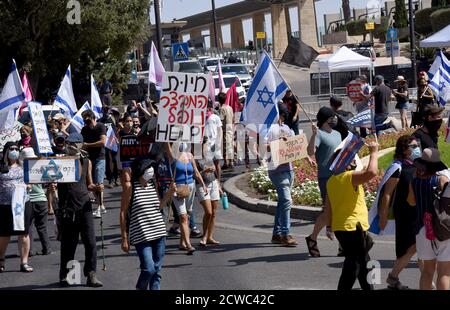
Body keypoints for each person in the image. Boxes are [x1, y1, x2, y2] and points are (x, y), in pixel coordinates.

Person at [327, 142, 379, 290]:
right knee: (354, 264)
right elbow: (372, 173)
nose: (355, 161)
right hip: (352, 228)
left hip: (341, 227)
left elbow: (328, 207)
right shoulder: (349, 177)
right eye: (351, 159)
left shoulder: (332, 181)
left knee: (364, 262)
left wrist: (329, 226)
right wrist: (374, 152)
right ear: (344, 163)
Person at [120, 158, 176, 290]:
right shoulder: (130, 187)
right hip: (141, 236)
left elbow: (159, 206)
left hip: (159, 232)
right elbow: (122, 213)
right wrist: (124, 239)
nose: (151, 171)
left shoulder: (152, 184)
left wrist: (168, 194)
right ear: (140, 171)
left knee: (156, 272)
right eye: (147, 168)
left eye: (151, 168)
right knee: (149, 269)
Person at [57, 132, 103, 287]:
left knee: (90, 242)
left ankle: (91, 274)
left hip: (85, 206)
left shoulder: (86, 161)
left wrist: (96, 187)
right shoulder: (61, 161)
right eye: (67, 143)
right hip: (67, 207)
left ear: (79, 145)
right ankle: (66, 275)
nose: (69, 146)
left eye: (72, 143)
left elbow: (89, 183)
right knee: (69, 244)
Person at [378, 135, 420, 289]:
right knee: (410, 248)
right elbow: (387, 194)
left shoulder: (415, 165)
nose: (417, 149)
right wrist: (383, 217)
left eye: (417, 146)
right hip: (404, 214)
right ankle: (393, 277)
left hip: (416, 212)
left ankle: (429, 283)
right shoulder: (397, 168)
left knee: (419, 247)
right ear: (404, 150)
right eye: (414, 146)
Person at [408, 148, 450, 290]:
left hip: (422, 229)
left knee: (427, 271)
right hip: (442, 229)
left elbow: (411, 201)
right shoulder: (441, 180)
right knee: (444, 272)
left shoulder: (414, 182)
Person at [306, 107, 342, 257]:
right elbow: (310, 152)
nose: (335, 119)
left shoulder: (338, 134)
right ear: (326, 119)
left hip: (339, 176)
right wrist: (314, 135)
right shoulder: (319, 134)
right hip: (326, 178)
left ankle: (343, 245)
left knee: (340, 211)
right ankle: (312, 238)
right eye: (332, 117)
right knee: (328, 212)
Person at [166, 142, 208, 254]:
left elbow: (196, 172)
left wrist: (203, 185)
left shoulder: (189, 155)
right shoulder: (172, 156)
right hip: (178, 189)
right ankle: (188, 244)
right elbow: (166, 144)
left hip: (190, 187)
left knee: (187, 214)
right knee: (183, 217)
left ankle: (182, 243)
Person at [267, 104, 298, 247]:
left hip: (289, 168)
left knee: (282, 202)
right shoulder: (269, 128)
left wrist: (307, 158)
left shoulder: (288, 129)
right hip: (276, 169)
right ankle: (286, 233)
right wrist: (278, 144)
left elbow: (295, 147)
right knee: (286, 200)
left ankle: (276, 233)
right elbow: (263, 146)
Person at [0, 142, 33, 273]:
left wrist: (28, 185)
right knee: (4, 234)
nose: (14, 151)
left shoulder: (24, 166)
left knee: (24, 233)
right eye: (11, 149)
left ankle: (24, 262)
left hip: (22, 204)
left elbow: (32, 179)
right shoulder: (1, 167)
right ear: (6, 151)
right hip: (5, 205)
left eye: (16, 149)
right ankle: (1, 259)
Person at [20, 148, 53, 256]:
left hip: (27, 201)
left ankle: (29, 250)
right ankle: (46, 248)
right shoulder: (39, 168)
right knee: (42, 226)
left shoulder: (21, 170)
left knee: (28, 227)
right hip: (41, 199)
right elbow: (47, 182)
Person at [196, 137, 222, 246]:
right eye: (205, 144)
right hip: (202, 185)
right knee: (208, 212)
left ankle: (210, 237)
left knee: (214, 213)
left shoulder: (210, 153)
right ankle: (204, 236)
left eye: (207, 144)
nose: (206, 146)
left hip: (213, 183)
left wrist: (219, 183)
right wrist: (204, 170)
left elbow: (217, 166)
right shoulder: (195, 156)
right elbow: (194, 174)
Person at [81, 109, 107, 218]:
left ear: (93, 118)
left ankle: (100, 206)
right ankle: (100, 205)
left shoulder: (100, 126)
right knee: (91, 184)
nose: (87, 123)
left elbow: (102, 142)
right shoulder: (84, 129)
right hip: (88, 159)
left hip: (99, 158)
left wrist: (87, 145)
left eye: (88, 121)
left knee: (99, 183)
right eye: (85, 121)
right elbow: (81, 142)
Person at [98, 106, 119, 189]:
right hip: (105, 143)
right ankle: (111, 179)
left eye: (107, 110)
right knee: (108, 161)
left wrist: (117, 137)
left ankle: (116, 177)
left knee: (115, 160)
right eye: (104, 110)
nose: (106, 112)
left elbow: (118, 127)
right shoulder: (100, 121)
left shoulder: (113, 119)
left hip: (113, 141)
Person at [219, 92, 234, 170]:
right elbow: (233, 118)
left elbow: (221, 120)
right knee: (230, 145)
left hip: (225, 129)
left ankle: (226, 162)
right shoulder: (230, 107)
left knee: (225, 146)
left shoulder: (222, 109)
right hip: (230, 128)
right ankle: (231, 161)